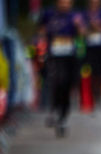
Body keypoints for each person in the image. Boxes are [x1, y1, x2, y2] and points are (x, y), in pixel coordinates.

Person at [38, 0, 84, 137]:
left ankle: (63, 116)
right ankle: (54, 109)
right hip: (54, 55)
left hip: (70, 56)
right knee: (56, 82)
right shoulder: (48, 14)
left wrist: (78, 26)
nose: (64, 4)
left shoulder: (75, 15)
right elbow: (41, 30)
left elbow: (82, 33)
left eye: (67, 2)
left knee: (67, 85)